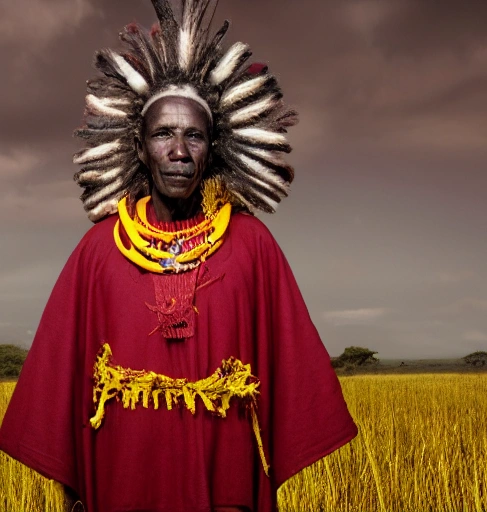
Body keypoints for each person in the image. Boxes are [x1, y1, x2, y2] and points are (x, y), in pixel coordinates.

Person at [0, 1, 358, 511]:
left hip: (223, 489)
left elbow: (290, 374)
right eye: (163, 134)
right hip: (122, 484)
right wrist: (75, 492)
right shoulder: (99, 251)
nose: (180, 150)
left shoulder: (251, 245)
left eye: (194, 135)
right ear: (140, 147)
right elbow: (62, 381)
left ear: (214, 148)